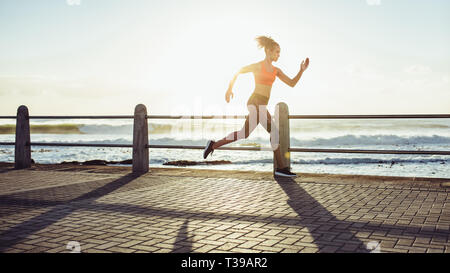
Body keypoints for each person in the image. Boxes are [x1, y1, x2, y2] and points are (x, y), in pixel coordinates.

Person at [203, 36, 309, 177]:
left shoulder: (277, 70)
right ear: (268, 51)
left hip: (261, 104)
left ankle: (213, 145)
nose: (279, 55)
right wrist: (229, 89)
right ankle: (281, 168)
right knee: (274, 132)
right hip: (255, 101)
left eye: (279, 52)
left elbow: (291, 83)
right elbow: (238, 71)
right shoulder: (258, 66)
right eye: (277, 52)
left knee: (244, 133)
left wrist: (301, 70)